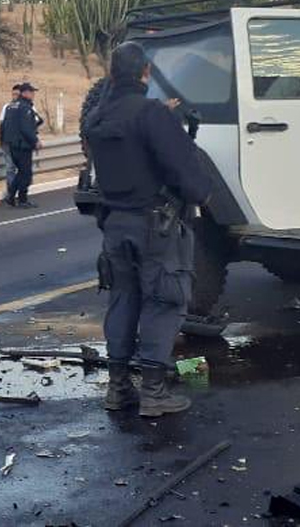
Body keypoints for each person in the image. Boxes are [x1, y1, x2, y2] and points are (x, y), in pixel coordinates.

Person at [82, 42, 211, 417]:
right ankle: (153, 393)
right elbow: (185, 173)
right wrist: (204, 193)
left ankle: (118, 388)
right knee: (164, 300)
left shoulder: (98, 118)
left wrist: (159, 116)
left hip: (115, 224)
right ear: (147, 74)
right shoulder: (151, 114)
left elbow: (123, 120)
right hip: (155, 226)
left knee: (123, 298)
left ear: (110, 75)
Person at [0, 83, 41, 208]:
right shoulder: (25, 107)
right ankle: (22, 199)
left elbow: (4, 125)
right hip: (23, 145)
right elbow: (26, 128)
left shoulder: (10, 106)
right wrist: (35, 141)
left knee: (21, 172)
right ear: (24, 93)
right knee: (26, 173)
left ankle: (11, 196)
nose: (33, 94)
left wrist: (4, 141)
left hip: (11, 144)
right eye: (31, 92)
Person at [0, 84, 21, 193]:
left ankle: (21, 190)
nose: (14, 96)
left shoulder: (27, 107)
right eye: (13, 94)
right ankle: (11, 192)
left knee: (22, 168)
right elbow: (2, 124)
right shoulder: (6, 107)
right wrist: (1, 141)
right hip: (8, 143)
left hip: (21, 143)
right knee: (10, 167)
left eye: (17, 94)